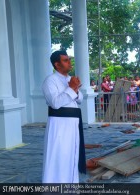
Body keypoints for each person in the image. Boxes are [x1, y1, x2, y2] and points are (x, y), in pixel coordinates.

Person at [42, 50, 86, 183]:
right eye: (65, 60)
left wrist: (75, 89)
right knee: (59, 155)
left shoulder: (69, 79)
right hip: (59, 125)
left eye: (69, 60)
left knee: (71, 155)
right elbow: (55, 103)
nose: (69, 63)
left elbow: (80, 100)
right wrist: (72, 88)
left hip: (73, 125)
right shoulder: (50, 81)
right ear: (57, 64)